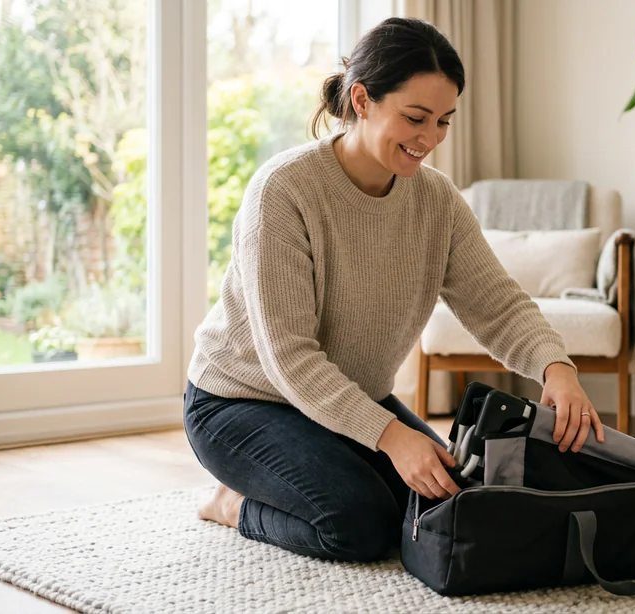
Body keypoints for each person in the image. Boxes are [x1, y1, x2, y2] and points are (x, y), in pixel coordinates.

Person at [182, 16, 603, 563]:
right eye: (415, 117)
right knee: (358, 524)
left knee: (449, 503)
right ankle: (234, 505)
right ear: (362, 99)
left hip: (350, 400)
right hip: (241, 402)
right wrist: (392, 436)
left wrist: (557, 368)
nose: (429, 140)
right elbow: (289, 358)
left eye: (445, 122)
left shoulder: (437, 201)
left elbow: (496, 304)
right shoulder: (284, 190)